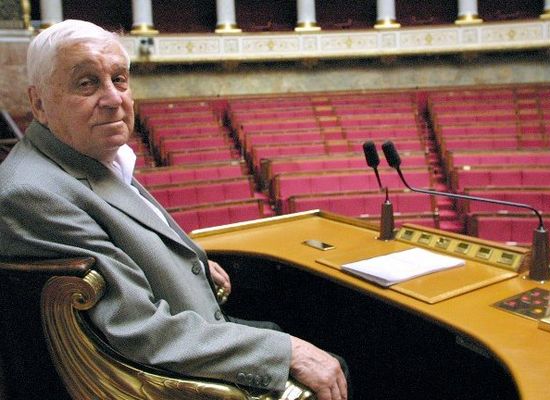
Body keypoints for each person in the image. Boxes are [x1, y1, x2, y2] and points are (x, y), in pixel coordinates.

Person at [0, 19, 348, 400]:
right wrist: (286, 353)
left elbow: (128, 240)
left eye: (119, 79)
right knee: (335, 359)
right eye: (87, 83)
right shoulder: (32, 194)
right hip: (172, 364)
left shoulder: (84, 154)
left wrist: (193, 261)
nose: (114, 98)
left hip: (196, 323)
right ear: (38, 103)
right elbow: (138, 331)